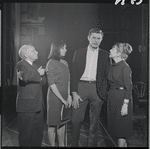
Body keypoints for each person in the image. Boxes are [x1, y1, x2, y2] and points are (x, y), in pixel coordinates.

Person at [70, 28, 110, 147]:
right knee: (75, 120)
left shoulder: (105, 55)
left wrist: (103, 92)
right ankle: (74, 144)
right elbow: (73, 73)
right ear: (88, 38)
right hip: (81, 87)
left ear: (101, 39)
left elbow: (107, 75)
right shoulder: (79, 52)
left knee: (95, 122)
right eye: (93, 37)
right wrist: (74, 92)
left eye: (99, 38)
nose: (96, 41)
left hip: (97, 90)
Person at [16, 45, 46, 146]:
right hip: (27, 107)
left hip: (38, 106)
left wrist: (40, 76)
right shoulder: (21, 64)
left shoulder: (35, 66)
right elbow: (25, 76)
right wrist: (39, 74)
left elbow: (44, 80)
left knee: (37, 135)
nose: (37, 52)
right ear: (26, 54)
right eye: (34, 50)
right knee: (26, 136)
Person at [46, 40, 72, 146]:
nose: (66, 50)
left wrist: (69, 96)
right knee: (52, 124)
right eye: (63, 47)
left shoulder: (65, 63)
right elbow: (51, 84)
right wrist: (62, 99)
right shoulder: (51, 63)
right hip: (55, 98)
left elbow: (68, 80)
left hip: (65, 97)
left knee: (63, 123)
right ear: (57, 49)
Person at [107, 42, 133, 147]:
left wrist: (125, 105)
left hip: (122, 100)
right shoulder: (113, 65)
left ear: (118, 54)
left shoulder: (125, 67)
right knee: (117, 131)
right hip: (113, 98)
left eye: (112, 49)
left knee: (121, 132)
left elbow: (129, 87)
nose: (110, 50)